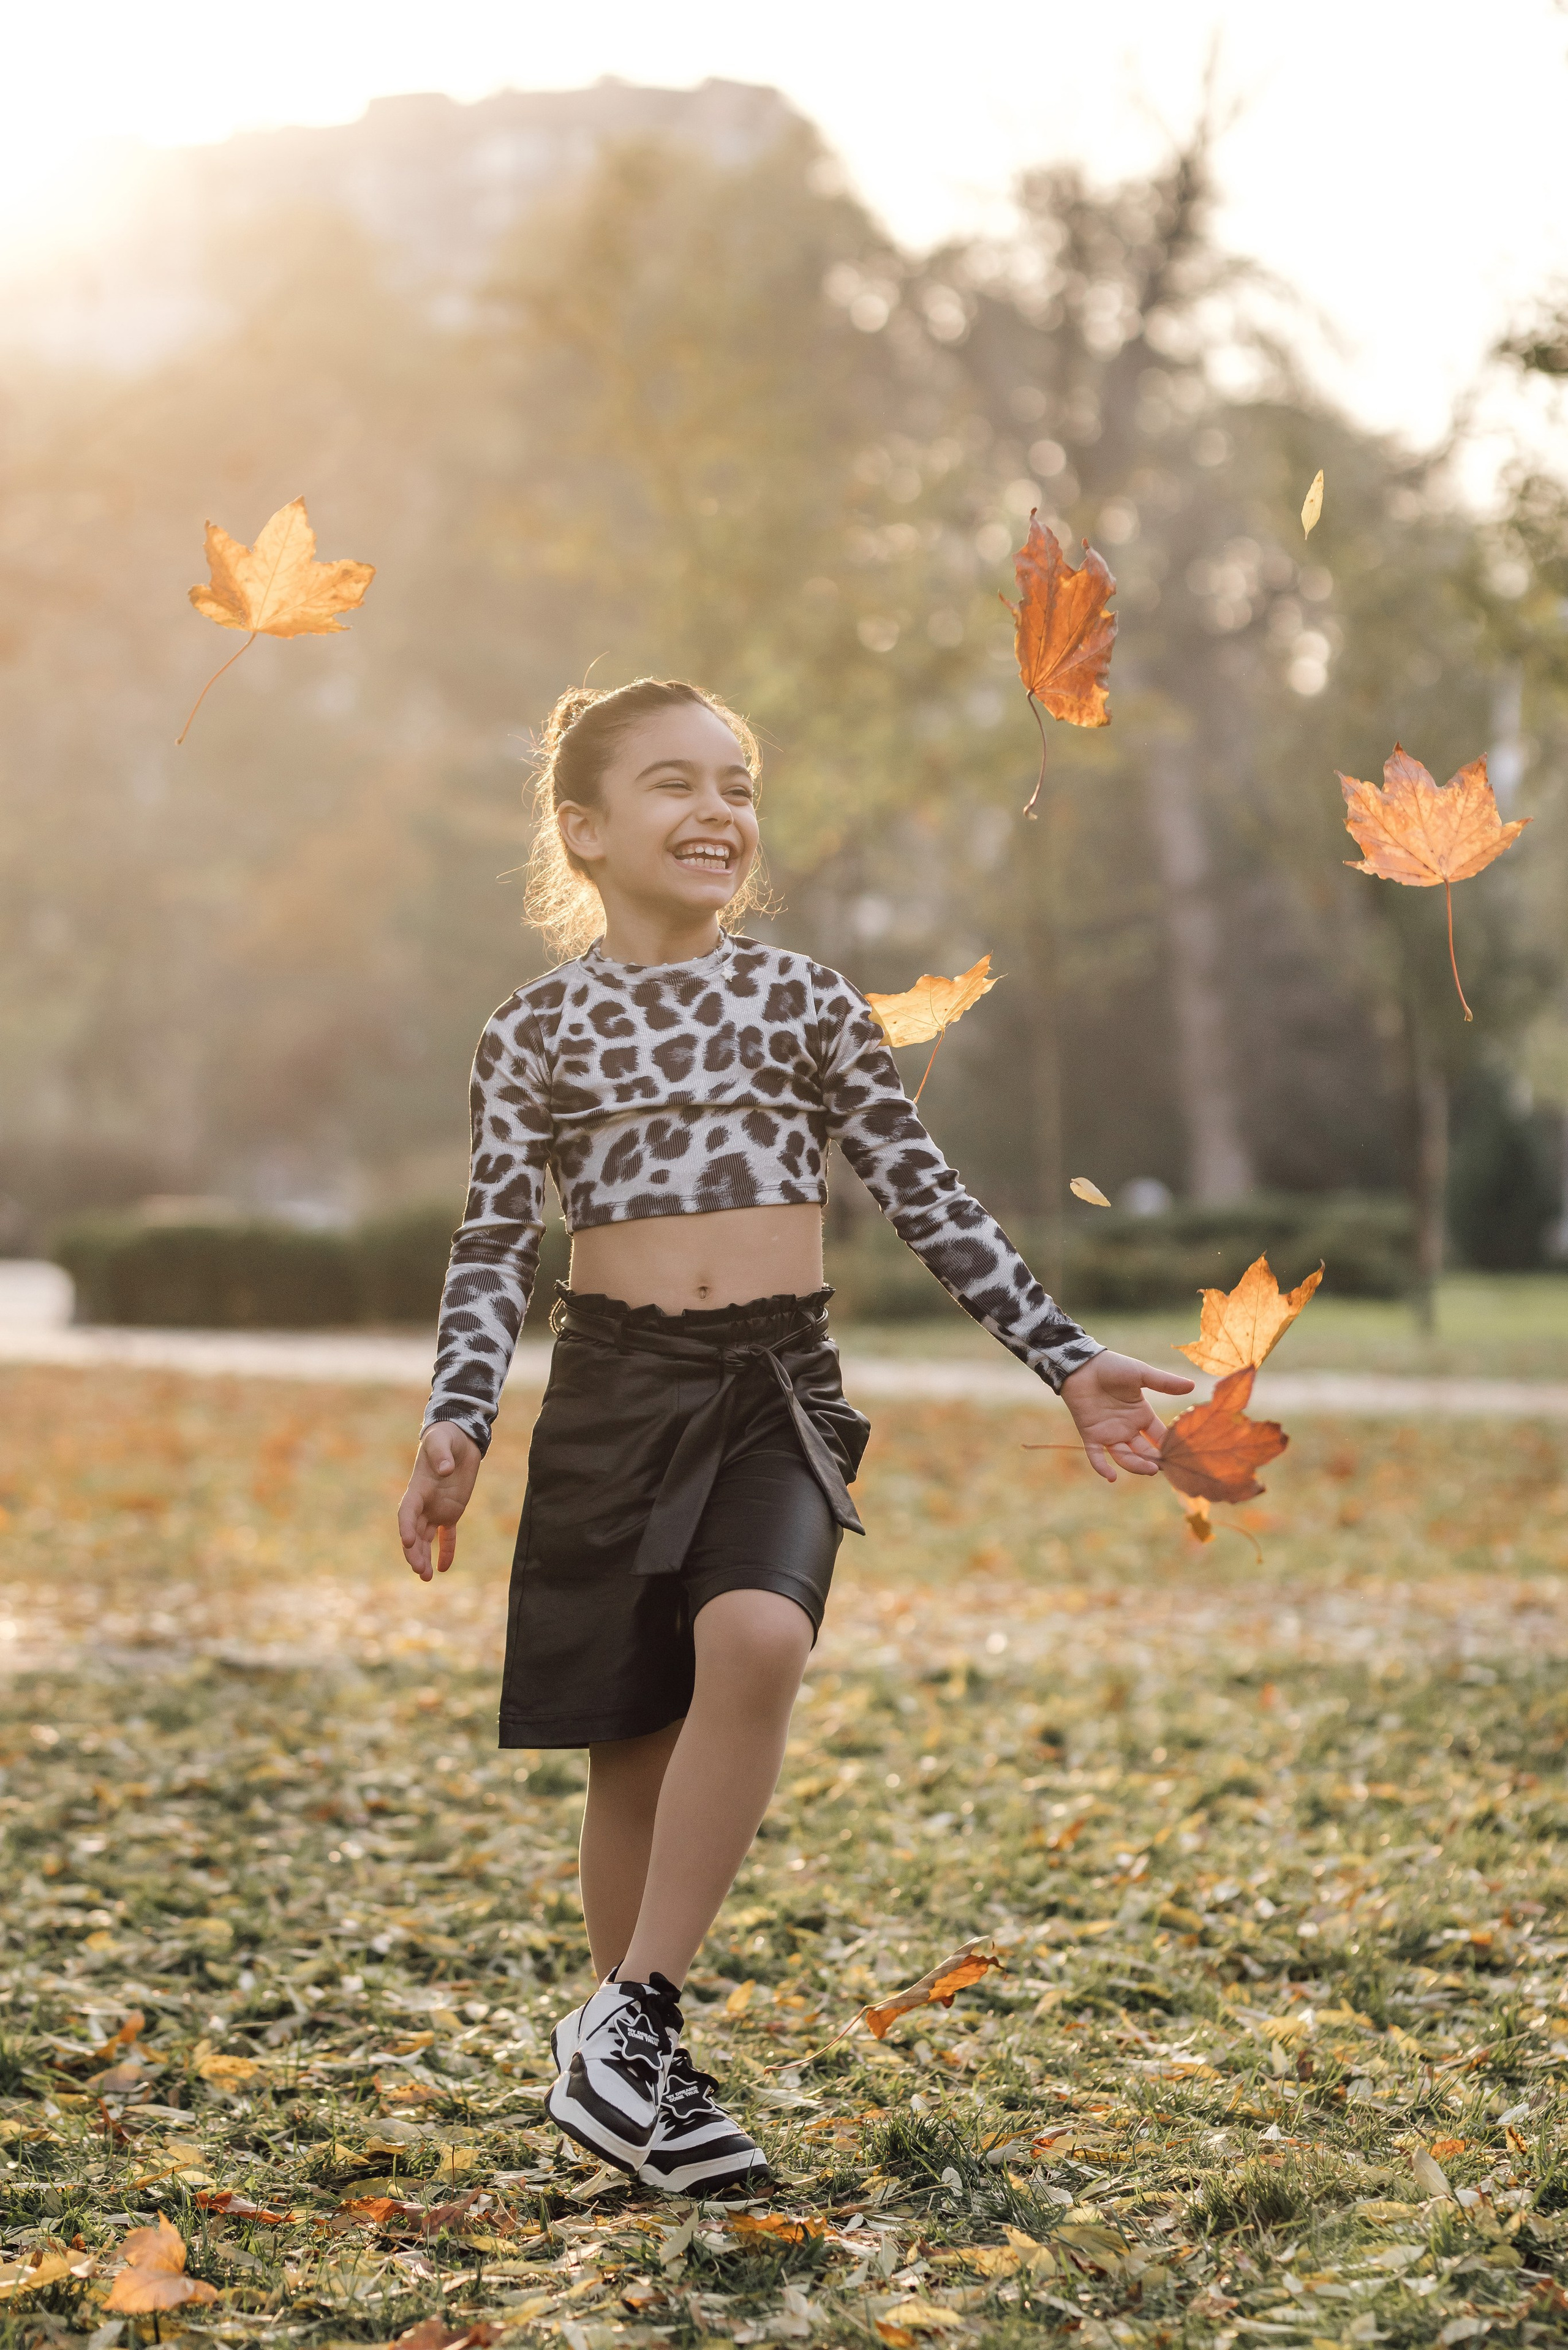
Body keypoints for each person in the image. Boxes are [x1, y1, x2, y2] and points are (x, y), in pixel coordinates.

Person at [397, 676, 1191, 2194]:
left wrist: (1065, 1356)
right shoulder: (533, 1030)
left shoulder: (805, 999)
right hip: (613, 1389)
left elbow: (924, 1191)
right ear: (582, 829)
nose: (717, 811)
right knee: (629, 1736)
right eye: (674, 785)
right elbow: (495, 1243)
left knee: (755, 1639)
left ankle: (630, 2014)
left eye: (737, 785)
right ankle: (636, 2082)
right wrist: (455, 1415)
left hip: (774, 1384)